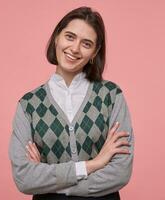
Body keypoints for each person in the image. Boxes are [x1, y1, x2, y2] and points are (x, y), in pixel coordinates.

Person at [9, 6, 134, 200]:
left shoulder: (111, 96)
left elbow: (120, 172)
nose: (74, 49)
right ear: (57, 37)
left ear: (95, 51)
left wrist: (49, 181)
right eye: (69, 37)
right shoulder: (29, 105)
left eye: (86, 43)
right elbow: (24, 178)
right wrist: (92, 164)